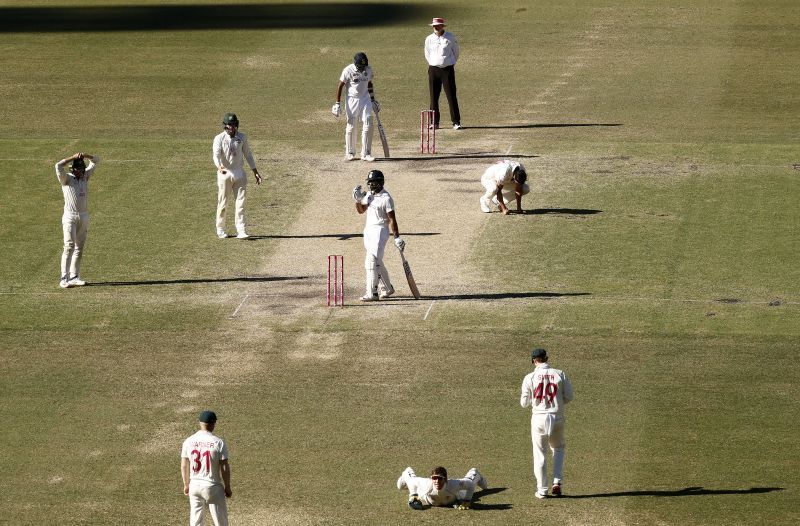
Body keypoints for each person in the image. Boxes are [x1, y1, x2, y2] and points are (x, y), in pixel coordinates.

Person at [520, 348, 574, 499]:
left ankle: (542, 490)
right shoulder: (559, 373)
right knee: (558, 448)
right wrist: (557, 404)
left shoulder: (529, 377)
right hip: (557, 417)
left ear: (534, 361)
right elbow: (569, 396)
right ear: (546, 358)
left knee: (540, 454)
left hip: (538, 418)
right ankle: (557, 482)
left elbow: (524, 403)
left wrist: (536, 399)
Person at [352, 170, 404, 301]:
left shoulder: (386, 198)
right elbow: (361, 211)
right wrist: (358, 200)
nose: (371, 186)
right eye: (369, 183)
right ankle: (387, 288)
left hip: (380, 231)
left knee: (370, 261)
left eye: (374, 183)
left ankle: (372, 293)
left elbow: (392, 219)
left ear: (381, 183)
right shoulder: (369, 194)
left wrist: (397, 237)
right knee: (377, 262)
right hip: (369, 230)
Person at [212, 112, 262, 239]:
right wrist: (219, 166)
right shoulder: (219, 138)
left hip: (239, 173)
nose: (231, 128)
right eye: (229, 125)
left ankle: (241, 230)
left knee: (240, 203)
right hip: (225, 174)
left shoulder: (242, 137)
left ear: (236, 125)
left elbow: (248, 154)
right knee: (222, 203)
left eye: (233, 125)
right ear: (225, 126)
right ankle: (221, 229)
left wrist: (255, 171)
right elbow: (216, 155)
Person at [55, 152, 101, 288]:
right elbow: (57, 165)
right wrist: (73, 157)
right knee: (69, 246)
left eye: (82, 169)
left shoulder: (86, 177)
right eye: (77, 169)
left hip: (84, 215)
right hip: (70, 216)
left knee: (79, 247)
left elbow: (97, 160)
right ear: (73, 169)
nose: (80, 172)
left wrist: (85, 155)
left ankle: (74, 276)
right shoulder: (66, 179)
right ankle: (64, 278)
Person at [181, 411, 232, 526]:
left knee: (196, 522)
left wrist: (186, 484)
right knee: (221, 522)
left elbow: (184, 465)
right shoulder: (218, 442)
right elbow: (224, 467)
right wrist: (227, 487)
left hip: (194, 486)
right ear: (213, 424)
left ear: (200, 423)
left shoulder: (189, 441)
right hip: (212, 487)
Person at [332, 52, 379, 162]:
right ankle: (350, 152)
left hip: (365, 99)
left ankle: (366, 153)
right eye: (361, 66)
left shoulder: (368, 69)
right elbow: (340, 86)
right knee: (352, 125)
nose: (363, 68)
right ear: (356, 64)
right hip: (352, 100)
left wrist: (373, 100)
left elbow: (369, 84)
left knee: (368, 122)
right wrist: (337, 103)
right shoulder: (348, 70)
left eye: (364, 66)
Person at [424, 17, 461, 130]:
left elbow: (456, 51)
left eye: (438, 25)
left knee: (451, 96)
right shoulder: (429, 39)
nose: (436, 27)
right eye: (434, 26)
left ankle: (456, 122)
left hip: (447, 70)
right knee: (433, 97)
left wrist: (450, 63)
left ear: (442, 26)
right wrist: (433, 63)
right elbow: (427, 53)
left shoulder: (450, 37)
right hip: (434, 70)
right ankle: (434, 123)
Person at [396, 466, 488, 510]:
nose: (436, 481)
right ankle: (408, 471)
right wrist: (413, 495)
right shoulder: (426, 484)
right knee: (400, 486)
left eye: (439, 478)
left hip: (456, 496)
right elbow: (412, 482)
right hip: (424, 495)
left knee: (480, 485)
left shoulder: (453, 485)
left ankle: (475, 473)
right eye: (434, 478)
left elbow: (471, 485)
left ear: (445, 479)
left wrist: (467, 501)